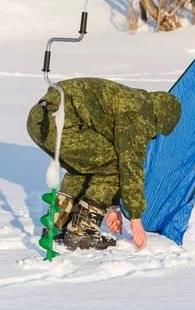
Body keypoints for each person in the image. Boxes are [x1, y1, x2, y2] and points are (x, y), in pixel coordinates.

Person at [27, 78, 181, 251]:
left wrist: (114, 206)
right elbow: (130, 166)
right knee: (114, 164)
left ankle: (56, 226)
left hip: (39, 119)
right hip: (59, 120)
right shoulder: (138, 113)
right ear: (160, 118)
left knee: (84, 167)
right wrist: (136, 219)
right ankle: (82, 232)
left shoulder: (133, 100)